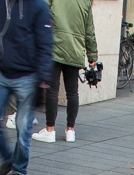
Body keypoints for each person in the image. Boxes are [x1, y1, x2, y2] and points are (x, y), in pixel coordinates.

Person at [0, 0, 54, 175]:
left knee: (23, 126)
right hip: (1, 72)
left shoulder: (38, 6)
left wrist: (42, 82)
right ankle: (7, 161)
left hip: (28, 76)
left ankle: (19, 172)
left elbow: (46, 44)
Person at [33, 0, 99, 144]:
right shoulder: (85, 3)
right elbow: (89, 32)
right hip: (75, 52)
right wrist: (92, 57)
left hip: (55, 49)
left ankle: (50, 130)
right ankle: (70, 130)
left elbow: (43, 16)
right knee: (72, 93)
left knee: (52, 91)